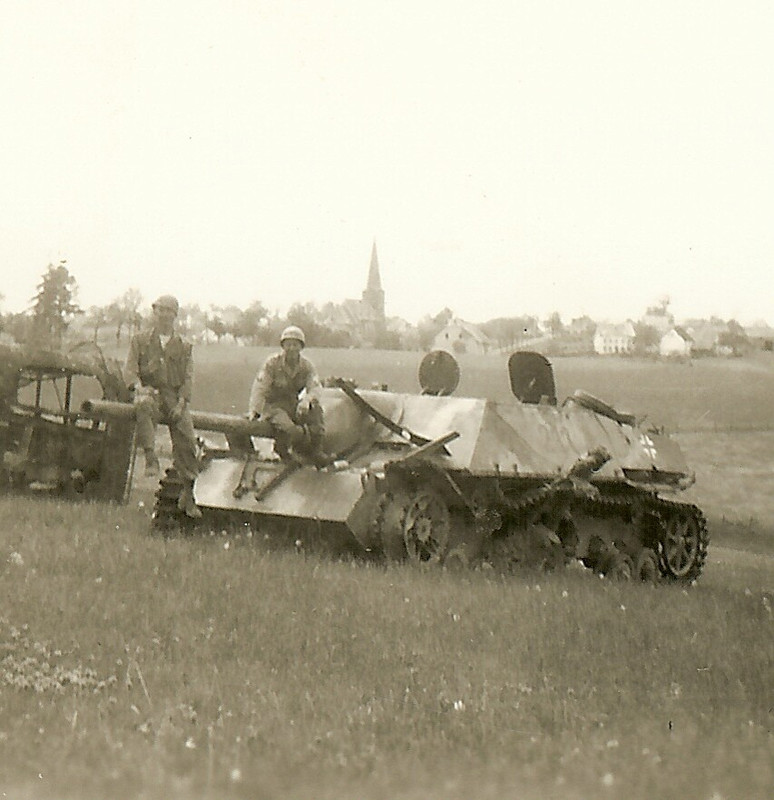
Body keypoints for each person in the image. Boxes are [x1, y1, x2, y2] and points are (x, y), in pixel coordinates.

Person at [124, 294, 201, 518]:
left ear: (175, 315)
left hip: (173, 397)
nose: (164, 315)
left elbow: (188, 378)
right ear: (154, 312)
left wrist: (181, 402)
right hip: (150, 392)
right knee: (143, 406)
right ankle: (150, 457)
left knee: (187, 438)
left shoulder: (184, 346)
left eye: (169, 311)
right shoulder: (140, 340)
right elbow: (130, 369)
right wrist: (139, 387)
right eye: (161, 310)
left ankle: (189, 491)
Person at [248, 325, 329, 466]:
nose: (291, 348)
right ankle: (282, 450)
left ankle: (317, 451)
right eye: (288, 344)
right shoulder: (272, 364)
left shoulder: (306, 366)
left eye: (295, 345)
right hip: (273, 406)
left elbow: (315, 388)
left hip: (293, 403)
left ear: (301, 347)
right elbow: (260, 387)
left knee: (316, 409)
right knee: (289, 428)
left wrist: (307, 401)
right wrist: (255, 411)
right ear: (283, 346)